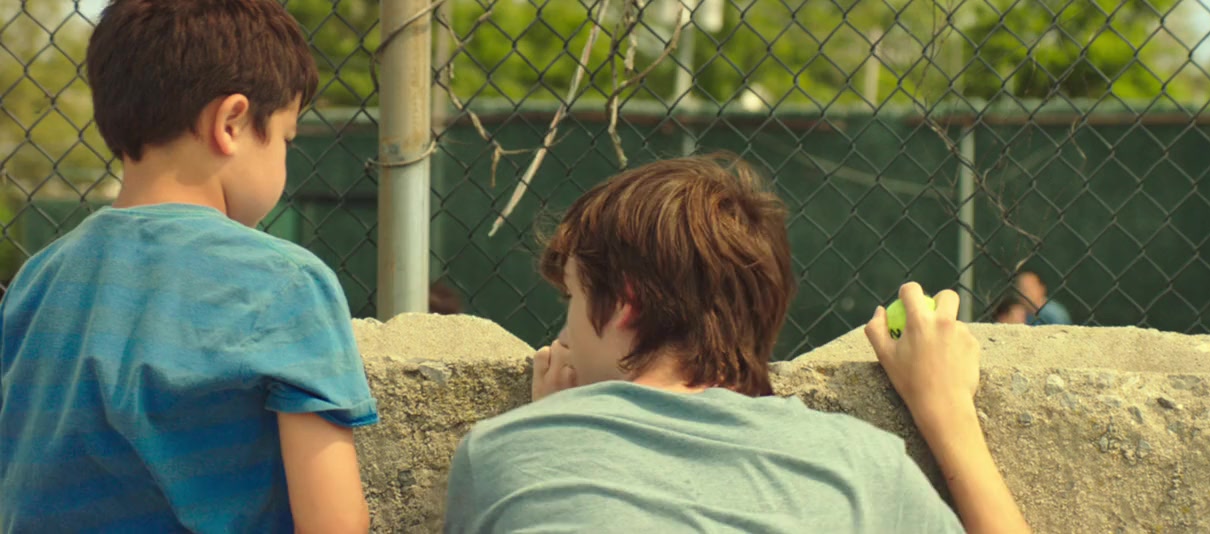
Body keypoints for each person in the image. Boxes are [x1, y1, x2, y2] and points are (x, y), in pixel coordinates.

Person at [442, 154, 1029, 533]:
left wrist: (551, 433)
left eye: (571, 299)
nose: (564, 335)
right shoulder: (863, 469)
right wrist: (947, 410)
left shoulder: (501, 456)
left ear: (626, 303)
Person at [0, 1, 376, 531]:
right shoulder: (286, 284)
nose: (285, 157)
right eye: (286, 138)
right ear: (231, 122)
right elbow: (333, 524)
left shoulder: (36, 281)